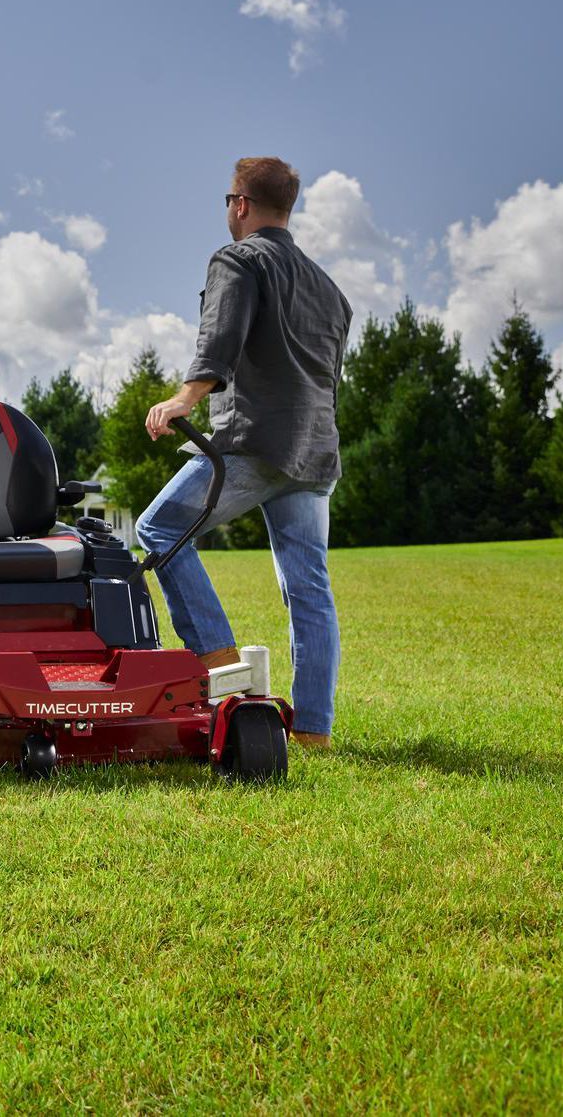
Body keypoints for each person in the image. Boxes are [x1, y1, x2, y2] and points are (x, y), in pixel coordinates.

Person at [137, 157, 353, 748]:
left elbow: (221, 335)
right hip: (315, 453)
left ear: (239, 204)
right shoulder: (329, 289)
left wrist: (186, 395)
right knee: (309, 587)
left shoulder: (238, 259)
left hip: (255, 443)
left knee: (159, 529)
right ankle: (313, 729)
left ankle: (214, 655)